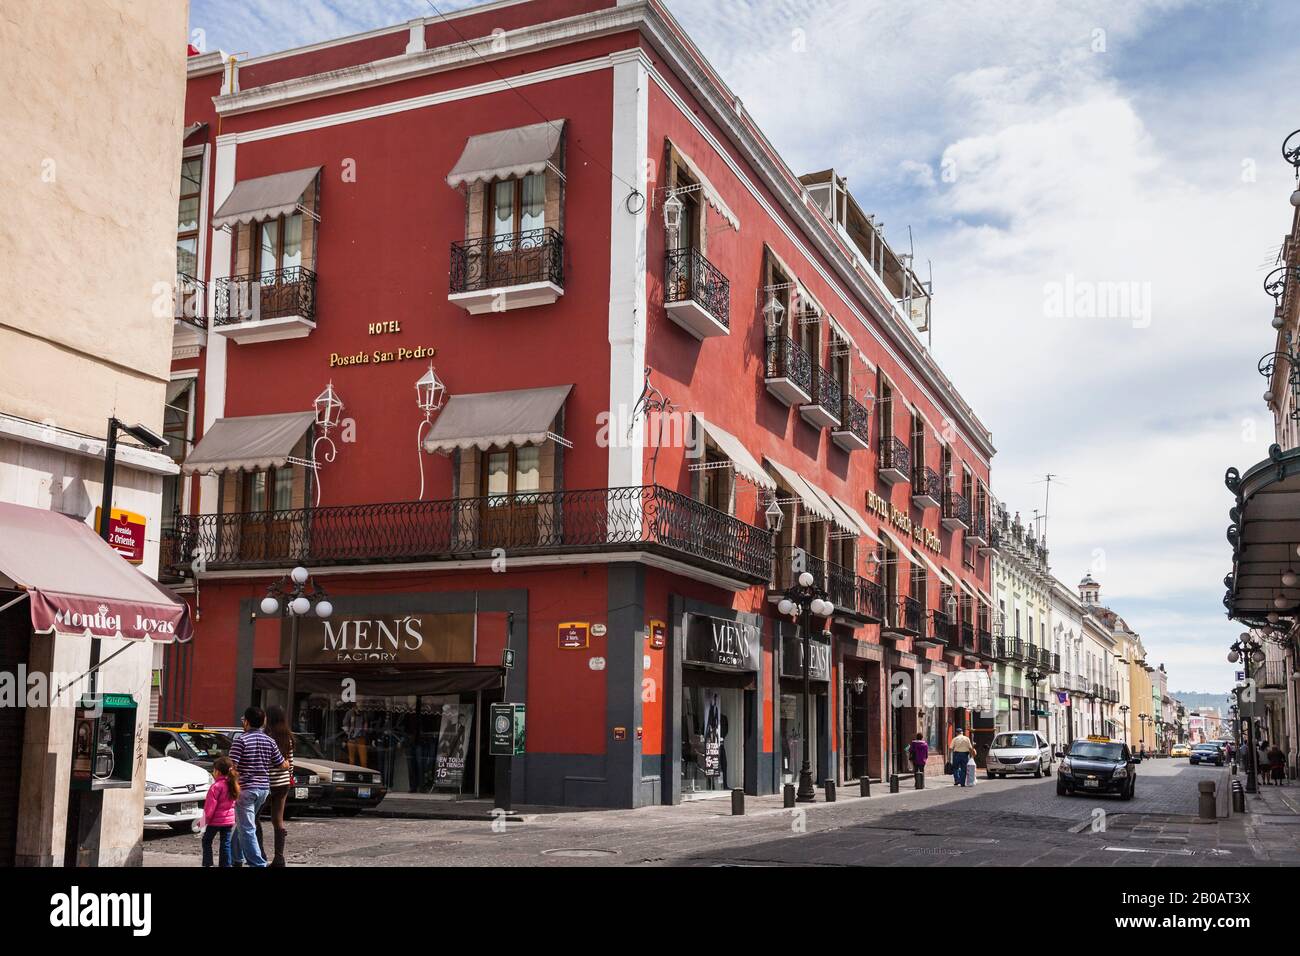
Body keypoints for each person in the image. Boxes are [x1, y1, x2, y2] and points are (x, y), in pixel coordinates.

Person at [228, 706, 288, 868]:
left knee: (247, 828)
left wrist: (232, 787)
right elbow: (281, 764)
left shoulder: (240, 740)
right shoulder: (270, 741)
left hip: (246, 790)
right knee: (244, 823)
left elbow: (232, 767)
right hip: (263, 790)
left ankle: (258, 864)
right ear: (263, 722)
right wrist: (287, 763)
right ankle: (235, 859)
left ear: (246, 722)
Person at [260, 704, 294, 867]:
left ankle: (260, 854)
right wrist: (288, 776)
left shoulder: (266, 736)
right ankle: (279, 858)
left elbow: (265, 762)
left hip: (267, 783)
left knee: (254, 818)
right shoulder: (288, 736)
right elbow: (291, 763)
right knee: (278, 820)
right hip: (283, 783)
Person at [200, 756, 238, 868]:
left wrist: (202, 823)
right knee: (225, 843)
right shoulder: (233, 785)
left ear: (218, 771)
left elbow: (209, 809)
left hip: (214, 821)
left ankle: (208, 863)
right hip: (228, 821)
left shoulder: (216, 787)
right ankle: (226, 864)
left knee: (207, 841)